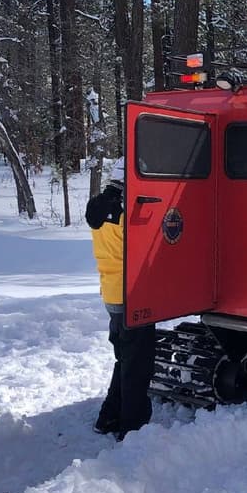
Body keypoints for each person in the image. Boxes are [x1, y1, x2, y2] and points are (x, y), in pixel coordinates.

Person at [85, 155, 156, 441]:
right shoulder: (127, 213)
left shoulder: (98, 208)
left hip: (112, 292)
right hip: (133, 294)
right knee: (138, 363)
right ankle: (133, 427)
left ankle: (108, 417)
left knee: (125, 357)